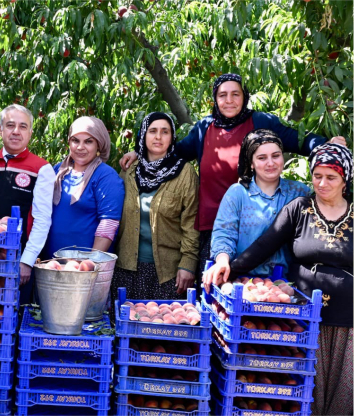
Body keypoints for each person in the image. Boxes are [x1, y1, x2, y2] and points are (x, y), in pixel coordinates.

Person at [119, 74, 346, 281]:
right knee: (216, 289)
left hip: (258, 226)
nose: (229, 100)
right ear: (215, 99)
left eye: (235, 94)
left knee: (262, 290)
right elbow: (173, 152)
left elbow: (297, 139)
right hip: (212, 228)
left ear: (244, 97)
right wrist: (139, 153)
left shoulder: (260, 122)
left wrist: (325, 145)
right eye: (222, 95)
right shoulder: (204, 129)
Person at [204, 143, 353, 416]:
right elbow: (263, 246)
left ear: (345, 180)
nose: (321, 183)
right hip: (306, 320)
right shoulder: (300, 208)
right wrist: (226, 268)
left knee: (346, 393)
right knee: (308, 389)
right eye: (317, 175)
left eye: (331, 177)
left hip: (350, 320)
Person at [113, 112, 199, 303]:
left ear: (172, 137)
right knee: (126, 327)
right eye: (152, 131)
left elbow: (191, 223)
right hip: (126, 268)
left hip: (168, 273)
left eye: (165, 132)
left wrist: (188, 264)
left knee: (161, 327)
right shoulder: (129, 169)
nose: (158, 137)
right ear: (143, 135)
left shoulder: (185, 173)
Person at [0, 104, 56, 304]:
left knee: (14, 316)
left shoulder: (41, 168)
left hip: (16, 258)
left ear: (30, 132)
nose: (16, 131)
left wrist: (26, 261)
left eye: (23, 126)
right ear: (0, 129)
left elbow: (42, 219)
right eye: (10, 125)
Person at [208, 129, 310, 279]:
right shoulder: (238, 193)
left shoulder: (299, 192)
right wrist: (222, 260)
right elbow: (224, 234)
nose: (271, 163)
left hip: (288, 283)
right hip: (242, 279)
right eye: (262, 158)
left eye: (276, 156)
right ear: (251, 163)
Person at [46, 116, 124, 258]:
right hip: (50, 263)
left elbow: (109, 223)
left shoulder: (106, 176)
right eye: (75, 140)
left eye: (88, 141)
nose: (80, 147)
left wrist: (92, 264)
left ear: (99, 145)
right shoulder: (58, 171)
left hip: (83, 268)